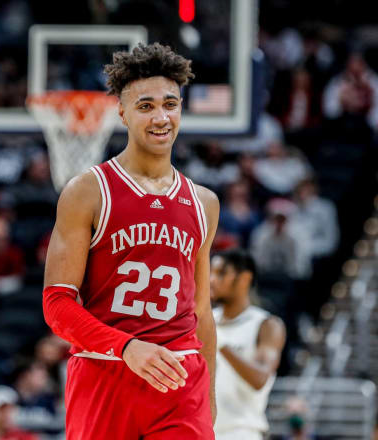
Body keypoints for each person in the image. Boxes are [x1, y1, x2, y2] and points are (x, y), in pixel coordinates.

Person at [42, 42, 219, 439]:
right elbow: (56, 304)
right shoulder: (88, 191)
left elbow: (202, 311)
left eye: (170, 104)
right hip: (104, 370)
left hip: (179, 376)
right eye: (146, 106)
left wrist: (209, 393)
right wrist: (125, 347)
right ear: (122, 113)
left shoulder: (204, 202)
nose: (161, 117)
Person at [210, 248, 286, 440]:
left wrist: (218, 340)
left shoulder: (267, 325)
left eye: (221, 273)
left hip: (242, 432)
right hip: (202, 430)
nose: (211, 280)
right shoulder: (207, 320)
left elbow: (260, 378)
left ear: (244, 278)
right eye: (211, 272)